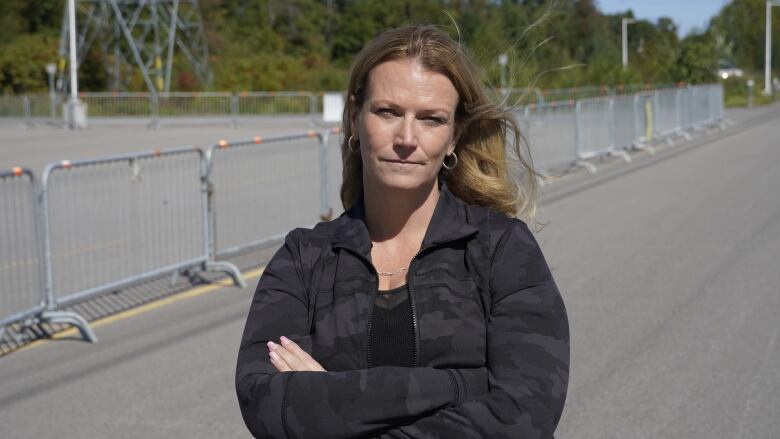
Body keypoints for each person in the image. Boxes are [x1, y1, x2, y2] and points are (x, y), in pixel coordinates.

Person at [236, 25, 569, 438]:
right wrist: (459, 384)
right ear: (356, 118)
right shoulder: (304, 258)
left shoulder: (502, 249)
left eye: (431, 119)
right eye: (388, 112)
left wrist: (328, 396)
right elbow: (267, 401)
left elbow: (524, 418)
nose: (407, 138)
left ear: (454, 137)